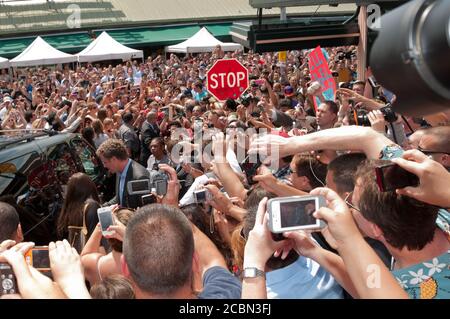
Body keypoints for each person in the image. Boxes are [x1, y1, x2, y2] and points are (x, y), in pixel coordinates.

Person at [121, 204, 241, 299]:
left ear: (125, 267)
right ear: (194, 262)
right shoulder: (229, 293)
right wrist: (171, 206)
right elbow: (211, 261)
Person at [81, 208, 132, 286]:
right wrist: (130, 235)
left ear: (108, 235)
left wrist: (99, 226)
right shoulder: (146, 263)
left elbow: (84, 257)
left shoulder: (96, 265)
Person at [96, 139, 149, 209]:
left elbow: (146, 210)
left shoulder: (139, 177)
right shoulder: (119, 171)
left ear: (114, 159)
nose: (104, 166)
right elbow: (119, 197)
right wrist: (102, 208)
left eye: (105, 162)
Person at [57, 173, 102, 244]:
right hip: (90, 251)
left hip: (73, 251)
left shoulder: (67, 209)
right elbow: (97, 238)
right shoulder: (92, 206)